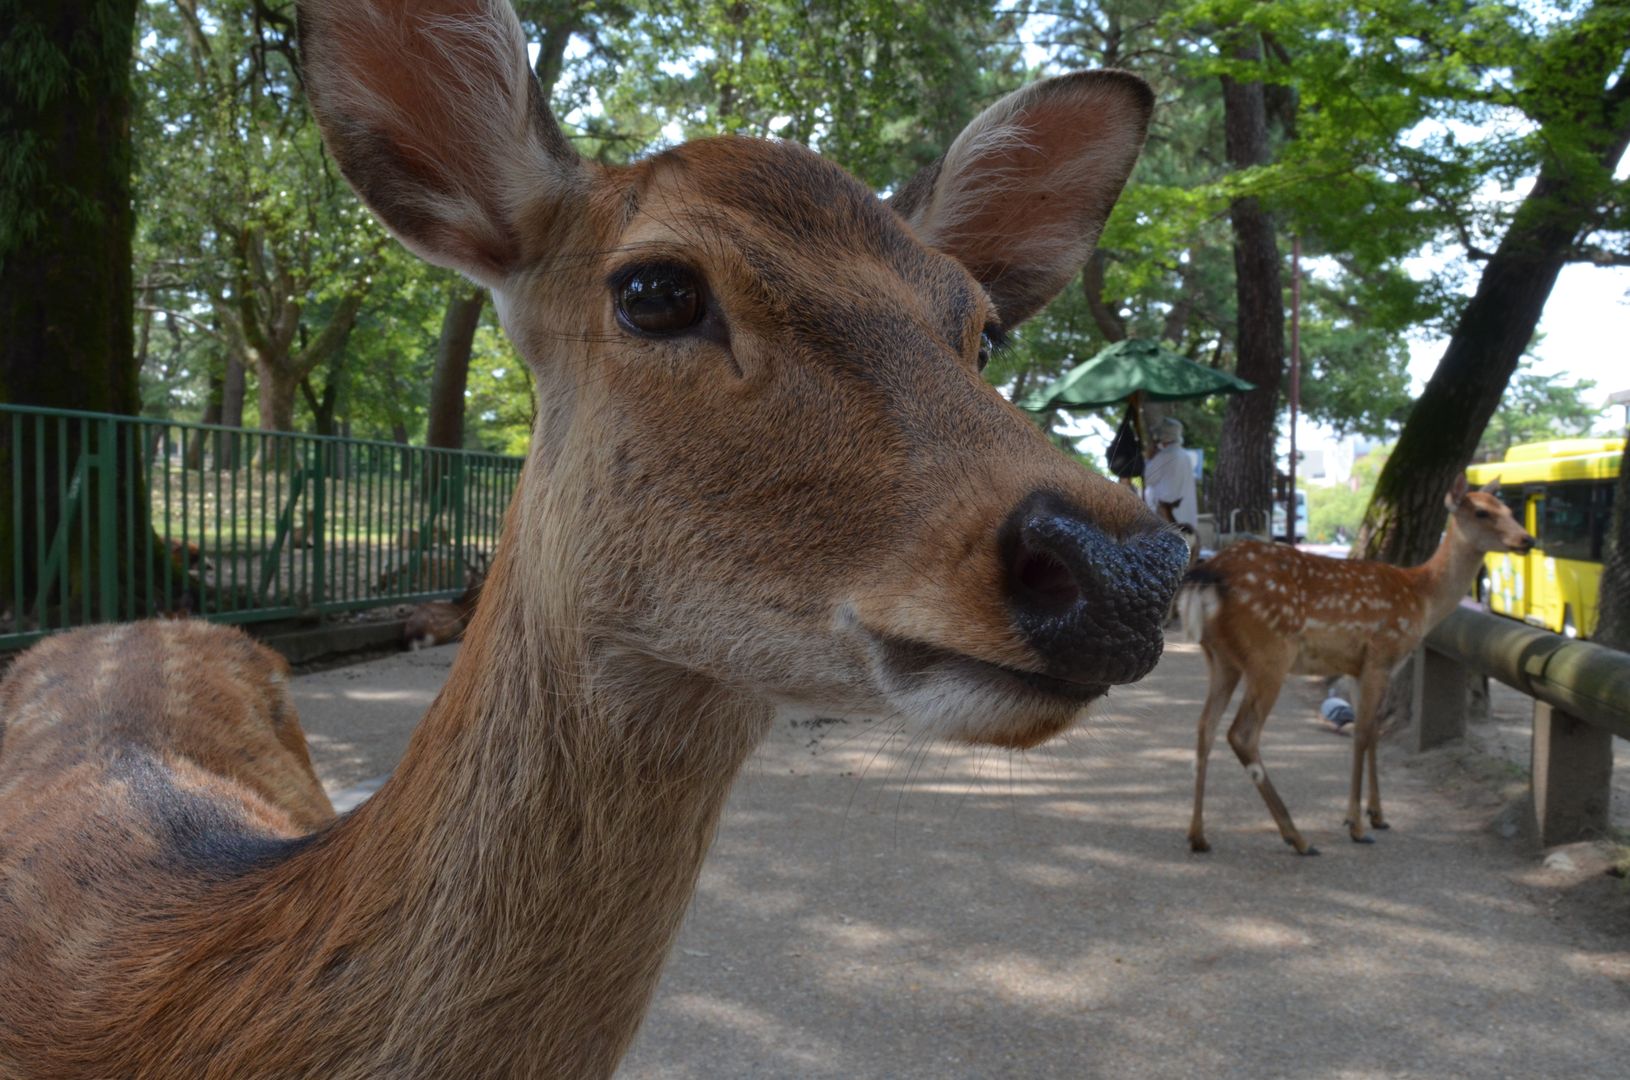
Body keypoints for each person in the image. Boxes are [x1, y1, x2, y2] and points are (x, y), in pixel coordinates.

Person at [1142, 417, 1198, 529]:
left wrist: (1149, 458)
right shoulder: (1185, 456)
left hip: (1169, 517)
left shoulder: (1164, 456)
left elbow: (1147, 479)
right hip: (1185, 517)